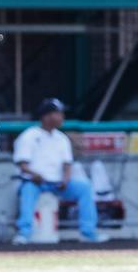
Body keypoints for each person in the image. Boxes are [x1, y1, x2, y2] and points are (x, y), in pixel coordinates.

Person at [12, 98, 108, 244]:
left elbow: (67, 165)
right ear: (46, 116)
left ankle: (88, 232)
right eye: (58, 113)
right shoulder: (30, 135)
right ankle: (24, 234)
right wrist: (34, 174)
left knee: (84, 187)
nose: (62, 117)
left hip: (58, 184)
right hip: (35, 182)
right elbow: (22, 164)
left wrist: (66, 179)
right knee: (27, 190)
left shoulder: (62, 138)